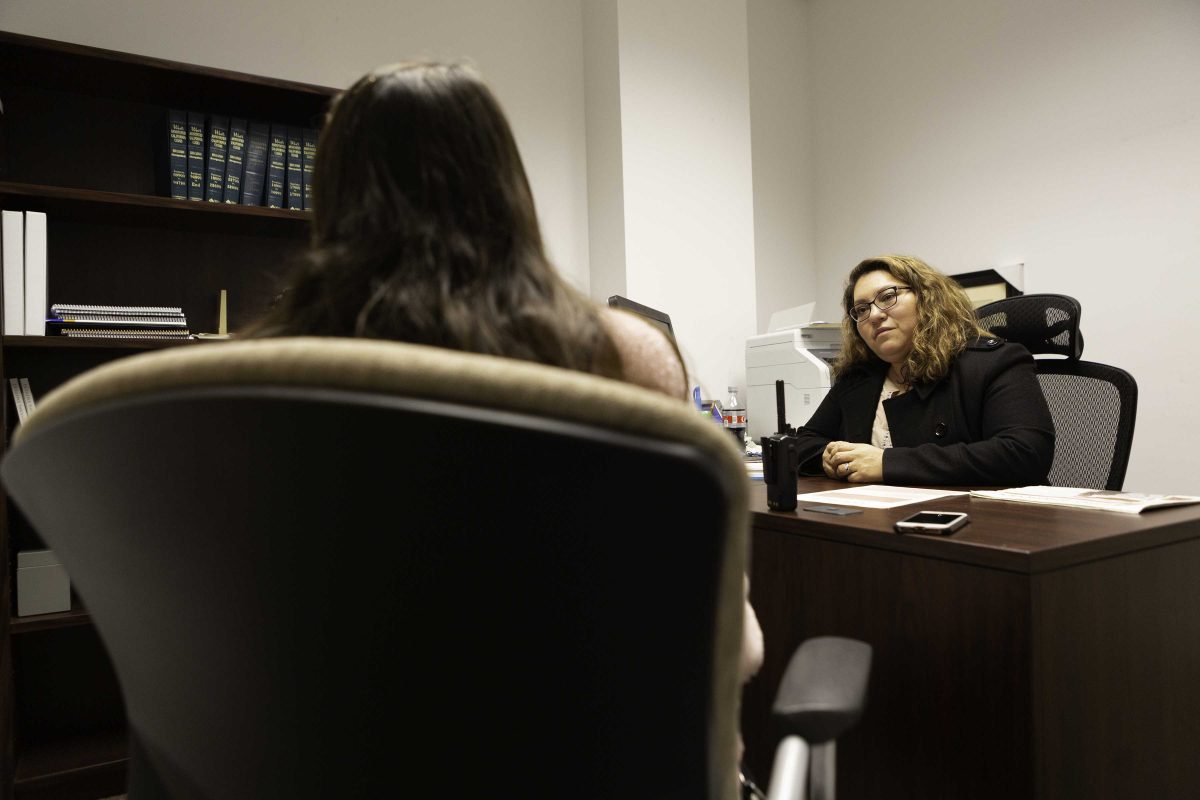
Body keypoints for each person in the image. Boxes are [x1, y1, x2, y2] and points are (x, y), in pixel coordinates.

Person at [247, 59, 764, 752]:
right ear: (505, 187)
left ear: (330, 199)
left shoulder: (250, 384)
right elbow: (734, 652)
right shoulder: (622, 360)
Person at [794, 254, 1054, 486]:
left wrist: (887, 463)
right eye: (862, 309)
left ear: (928, 299)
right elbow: (803, 443)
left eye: (887, 297)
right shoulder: (859, 377)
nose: (873, 315)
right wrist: (827, 457)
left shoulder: (994, 362)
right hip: (874, 519)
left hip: (983, 523)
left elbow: (1025, 453)